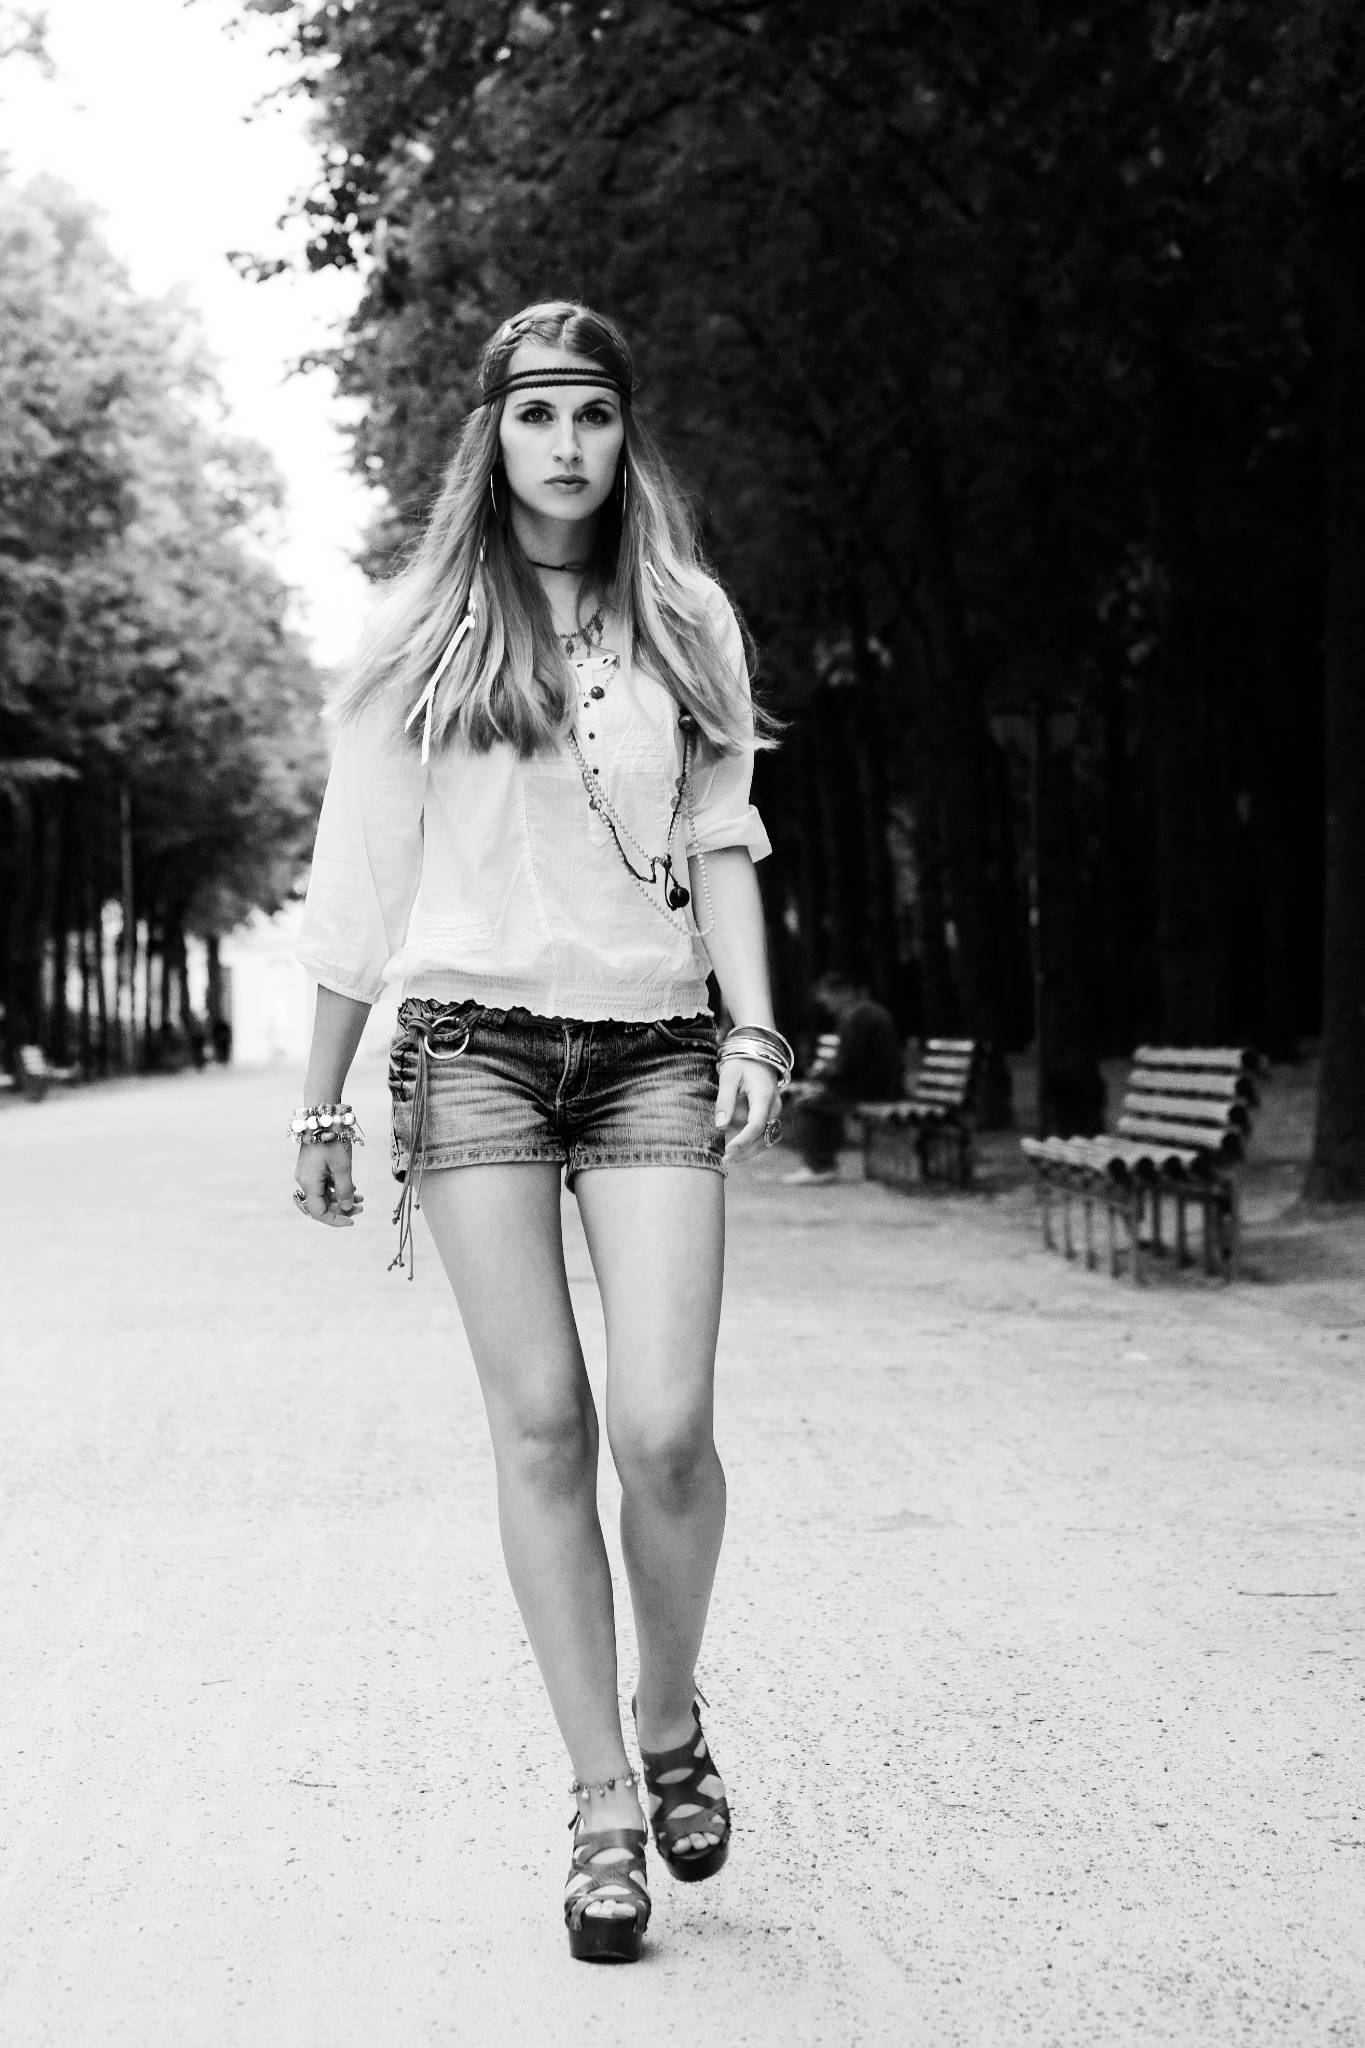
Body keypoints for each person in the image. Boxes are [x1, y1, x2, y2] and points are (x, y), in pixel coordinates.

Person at [290, 301, 790, 1964]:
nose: (565, 443)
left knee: (665, 1429)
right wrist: (321, 1097)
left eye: (591, 412)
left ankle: (669, 1712)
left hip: (655, 1046)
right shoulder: (421, 629)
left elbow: (722, 836)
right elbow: (359, 881)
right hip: (472, 1053)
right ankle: (600, 1808)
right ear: (490, 436)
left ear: (625, 432)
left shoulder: (685, 617)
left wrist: (754, 1025)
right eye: (535, 413)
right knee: (544, 1425)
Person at [782, 971, 904, 1183]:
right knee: (819, 1100)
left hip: (873, 1089)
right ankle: (823, 1163)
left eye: (827, 999)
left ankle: (820, 1167)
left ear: (843, 993)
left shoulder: (858, 1016)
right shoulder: (863, 1012)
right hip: (877, 1084)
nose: (826, 1006)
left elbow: (849, 1065)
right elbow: (853, 1062)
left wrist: (822, 1076)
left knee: (808, 1104)